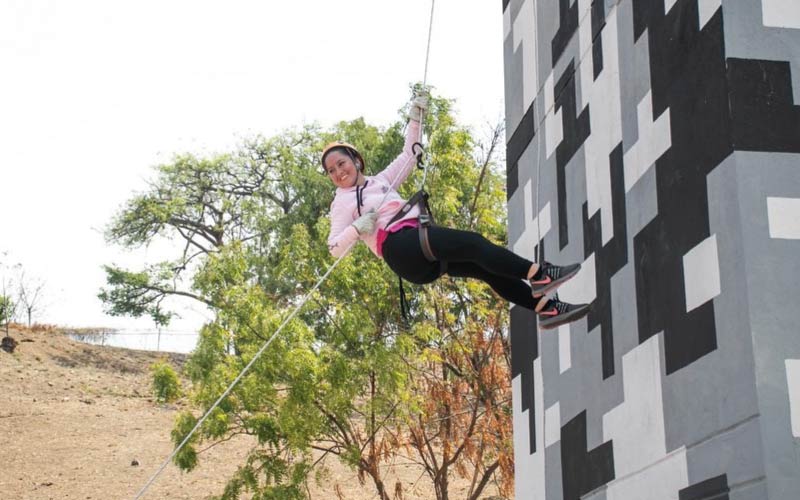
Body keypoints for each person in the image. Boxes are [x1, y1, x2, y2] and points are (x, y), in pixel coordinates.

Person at [323, 92, 590, 330]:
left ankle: (547, 309)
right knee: (474, 244)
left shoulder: (381, 181)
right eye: (331, 171)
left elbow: (409, 155)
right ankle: (539, 274)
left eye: (341, 163)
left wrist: (415, 118)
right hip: (400, 246)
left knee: (484, 268)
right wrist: (357, 228)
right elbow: (334, 247)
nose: (338, 172)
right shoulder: (342, 203)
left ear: (356, 160)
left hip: (418, 254)